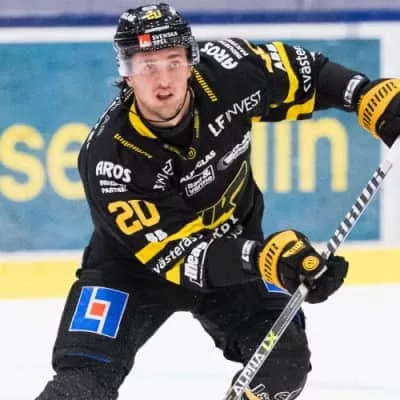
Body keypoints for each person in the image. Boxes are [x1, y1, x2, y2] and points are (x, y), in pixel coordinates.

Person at [36, 3, 400, 400]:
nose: (164, 80)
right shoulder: (110, 157)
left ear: (191, 59)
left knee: (283, 363)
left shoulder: (229, 71)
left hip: (235, 251)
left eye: (174, 61)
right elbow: (183, 257)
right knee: (80, 387)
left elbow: (306, 74)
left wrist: (364, 94)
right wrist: (262, 258)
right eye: (148, 66)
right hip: (132, 271)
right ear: (126, 72)